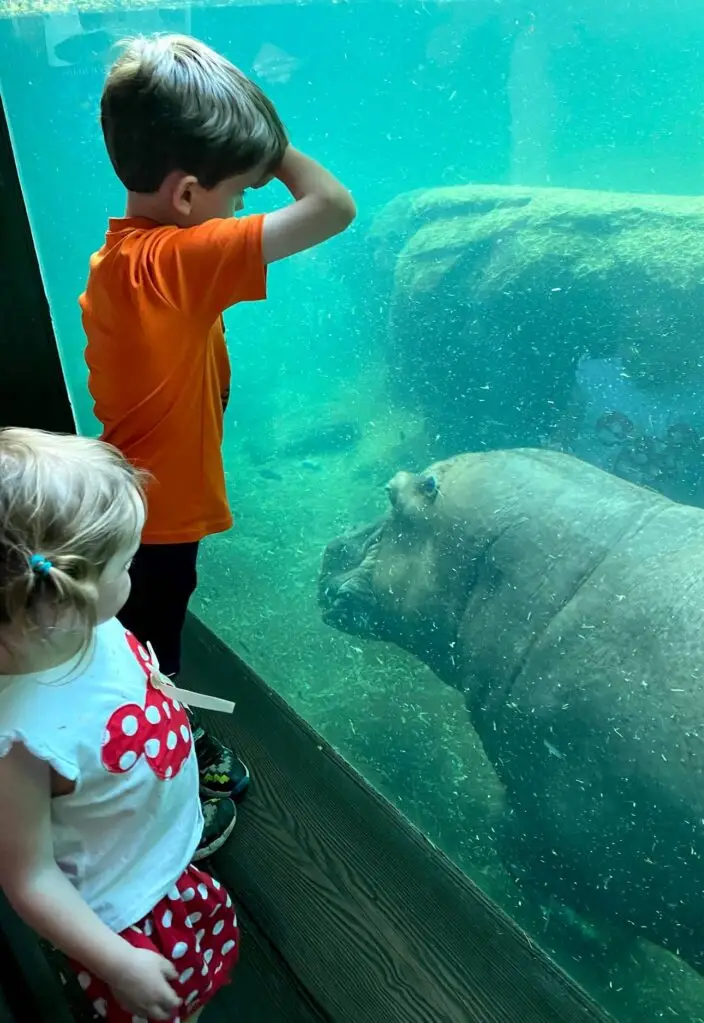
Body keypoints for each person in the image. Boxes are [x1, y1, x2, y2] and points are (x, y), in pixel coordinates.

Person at [80, 33, 356, 856]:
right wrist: (276, 149)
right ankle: (165, 793)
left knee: (138, 633)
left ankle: (142, 742)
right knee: (155, 649)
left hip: (134, 498)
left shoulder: (125, 257)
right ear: (192, 196)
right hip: (161, 520)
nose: (252, 201)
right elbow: (334, 206)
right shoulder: (181, 260)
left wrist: (248, 154)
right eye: (242, 191)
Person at [0, 426, 239, 1023]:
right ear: (61, 597)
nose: (135, 571)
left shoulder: (84, 626)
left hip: (158, 849)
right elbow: (28, 877)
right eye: (127, 562)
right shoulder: (21, 739)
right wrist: (116, 962)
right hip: (125, 912)